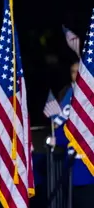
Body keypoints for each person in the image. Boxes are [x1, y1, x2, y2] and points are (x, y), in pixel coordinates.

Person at [48, 61, 94, 208]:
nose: (76, 75)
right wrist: (55, 139)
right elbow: (62, 129)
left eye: (79, 71)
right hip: (74, 166)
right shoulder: (68, 96)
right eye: (73, 71)